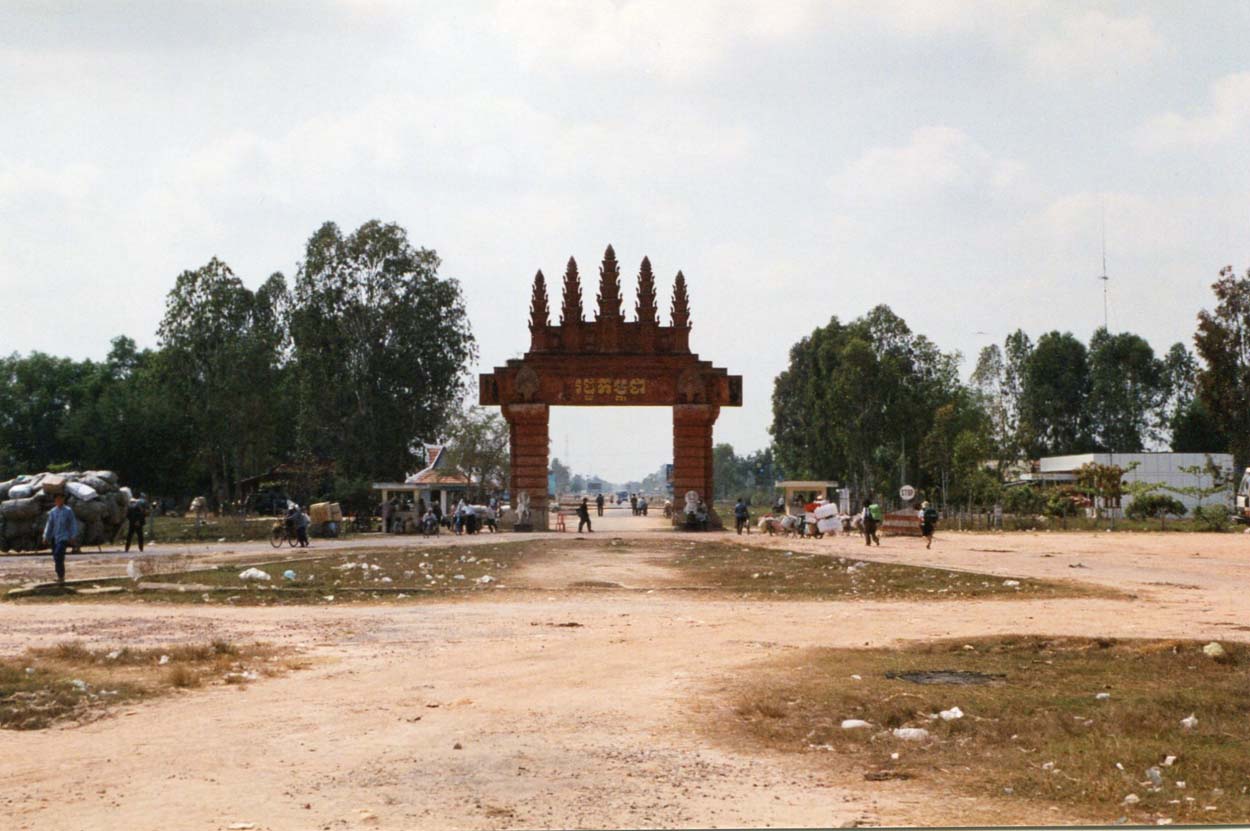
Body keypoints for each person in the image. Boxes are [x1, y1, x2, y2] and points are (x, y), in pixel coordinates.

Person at [43, 492, 78, 585]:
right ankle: (59, 575)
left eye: (61, 499)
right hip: (54, 537)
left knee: (59, 554)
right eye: (57, 499)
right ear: (55, 500)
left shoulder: (68, 511)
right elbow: (49, 525)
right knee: (56, 557)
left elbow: (72, 523)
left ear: (63, 500)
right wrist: (46, 536)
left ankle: (61, 576)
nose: (59, 501)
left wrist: (73, 536)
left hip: (64, 537)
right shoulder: (53, 512)